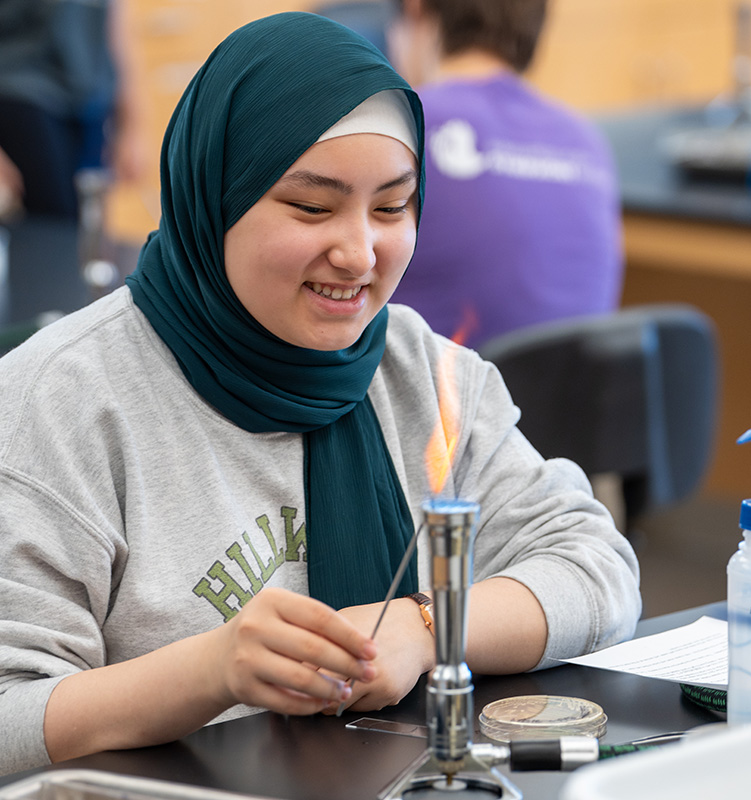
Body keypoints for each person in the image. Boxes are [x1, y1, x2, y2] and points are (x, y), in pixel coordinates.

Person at [0, 12, 640, 776]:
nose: (359, 251)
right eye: (311, 206)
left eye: (392, 207)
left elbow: (595, 568)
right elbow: (11, 715)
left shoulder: (425, 374)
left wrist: (421, 626)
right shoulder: (65, 399)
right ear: (217, 196)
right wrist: (210, 672)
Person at [386, 0, 624, 350]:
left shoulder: (403, 121)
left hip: (443, 400)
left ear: (416, 9)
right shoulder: (586, 139)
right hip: (569, 401)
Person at [0, 0, 147, 220]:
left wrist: (133, 129)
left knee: (88, 224)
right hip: (23, 95)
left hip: (88, 106)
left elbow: (118, 36)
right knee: (55, 222)